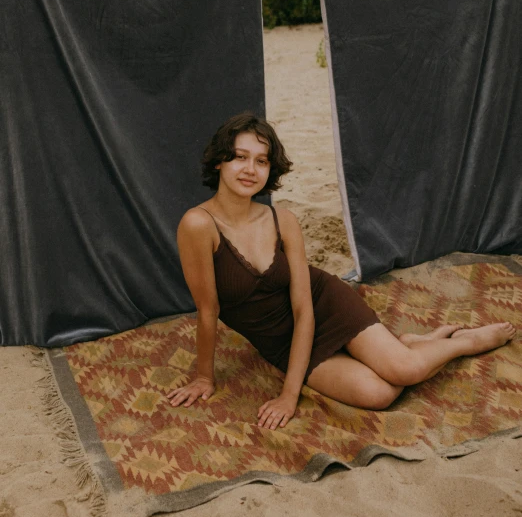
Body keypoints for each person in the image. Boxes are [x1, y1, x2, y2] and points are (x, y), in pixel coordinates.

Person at [167, 112, 515, 430]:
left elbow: (305, 310)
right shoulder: (198, 225)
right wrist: (204, 377)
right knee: (379, 394)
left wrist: (289, 395)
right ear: (219, 163)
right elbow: (208, 310)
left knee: (405, 370)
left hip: (326, 306)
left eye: (261, 161)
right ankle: (409, 344)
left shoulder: (282, 221)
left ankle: (463, 343)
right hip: (278, 341)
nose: (250, 169)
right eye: (240, 157)